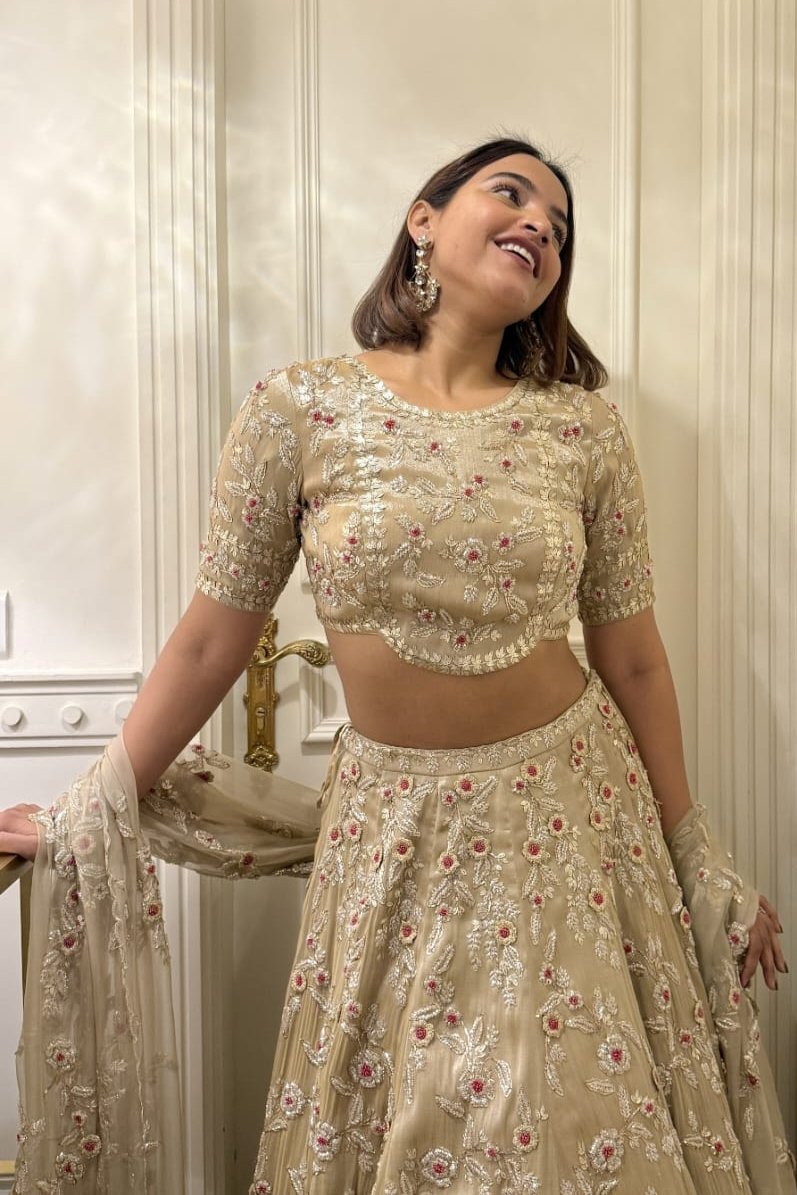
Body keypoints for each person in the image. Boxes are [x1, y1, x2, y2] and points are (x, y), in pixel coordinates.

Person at [1, 136, 794, 1194]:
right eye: (510, 193)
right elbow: (210, 638)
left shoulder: (582, 430)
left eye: (558, 229)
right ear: (424, 218)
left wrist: (693, 849)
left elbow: (634, 660)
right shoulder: (298, 408)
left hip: (571, 817)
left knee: (573, 1129)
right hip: (390, 834)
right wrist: (93, 800)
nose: (538, 225)